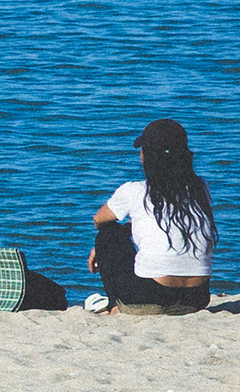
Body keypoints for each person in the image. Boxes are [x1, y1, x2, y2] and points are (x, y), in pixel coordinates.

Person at [87, 118, 217, 315]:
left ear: (146, 156)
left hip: (150, 296)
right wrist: (133, 226)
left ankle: (115, 305)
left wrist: (103, 246)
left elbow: (99, 220)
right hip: (197, 298)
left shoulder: (134, 190)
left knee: (107, 233)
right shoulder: (200, 188)